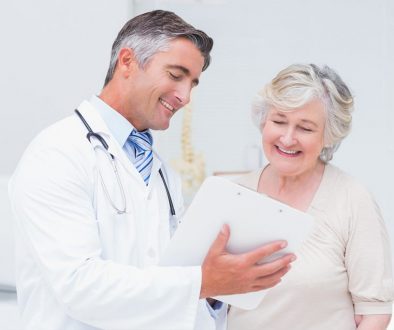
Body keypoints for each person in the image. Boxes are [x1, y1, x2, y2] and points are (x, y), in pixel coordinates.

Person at [8, 10, 295, 330]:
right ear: (127, 62)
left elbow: (166, 284)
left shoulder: (161, 174)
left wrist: (218, 291)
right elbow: (80, 286)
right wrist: (202, 283)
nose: (185, 96)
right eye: (176, 75)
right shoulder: (58, 153)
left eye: (193, 83)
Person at [227, 63, 394, 329]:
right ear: (263, 121)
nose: (288, 138)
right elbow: (205, 297)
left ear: (328, 136)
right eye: (279, 121)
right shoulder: (234, 194)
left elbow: (374, 313)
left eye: (305, 128)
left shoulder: (352, 199)